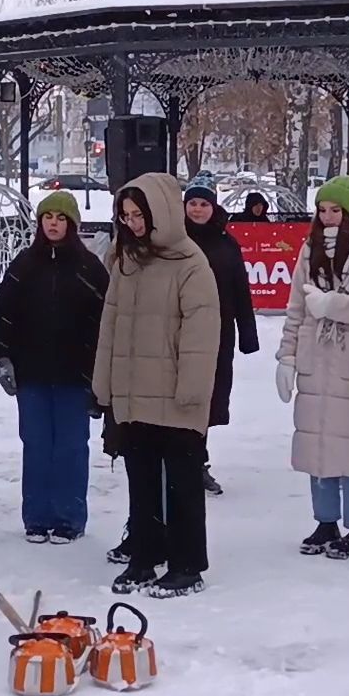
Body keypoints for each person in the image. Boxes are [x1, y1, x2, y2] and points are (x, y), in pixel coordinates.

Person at [95, 173, 221, 598]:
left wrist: (192, 390)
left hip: (177, 395)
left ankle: (187, 564)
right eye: (126, 216)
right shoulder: (126, 261)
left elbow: (202, 334)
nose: (132, 223)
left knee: (182, 484)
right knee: (142, 482)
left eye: (139, 215)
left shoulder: (191, 264)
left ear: (160, 214)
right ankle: (144, 556)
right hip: (134, 393)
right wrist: (104, 383)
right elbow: (110, 326)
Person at [277, 174, 349, 559]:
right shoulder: (310, 249)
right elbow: (296, 307)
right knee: (318, 443)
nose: (327, 217)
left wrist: (334, 306)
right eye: (322, 210)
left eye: (335, 210)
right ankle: (325, 521)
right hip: (316, 356)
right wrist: (287, 356)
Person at [0, 191, 108, 543]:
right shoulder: (24, 265)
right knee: (37, 446)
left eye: (60, 218)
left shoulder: (90, 268)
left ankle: (69, 517)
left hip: (76, 374)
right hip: (33, 374)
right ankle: (38, 517)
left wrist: (100, 373)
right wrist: (3, 357)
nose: (53, 224)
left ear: (72, 224)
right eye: (47, 217)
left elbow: (105, 322)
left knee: (71, 448)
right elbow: (4, 314)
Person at [184, 180, 260, 496]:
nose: (198, 210)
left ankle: (197, 461)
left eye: (204, 204)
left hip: (218, 332)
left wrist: (248, 334)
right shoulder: (174, 240)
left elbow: (240, 289)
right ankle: (181, 460)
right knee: (182, 398)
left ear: (213, 207)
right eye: (192, 203)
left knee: (208, 398)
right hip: (180, 333)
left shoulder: (226, 243)